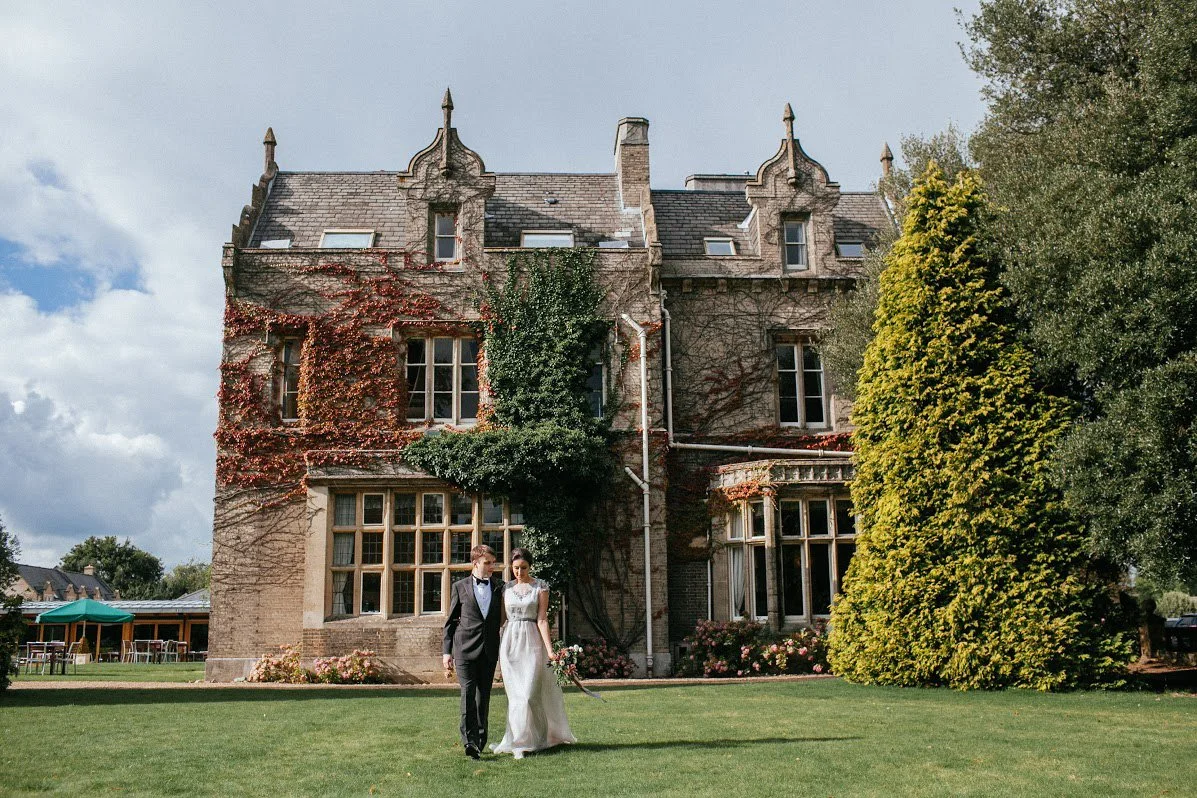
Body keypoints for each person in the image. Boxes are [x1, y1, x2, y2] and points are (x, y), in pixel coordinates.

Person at [491, 547, 576, 759]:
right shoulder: (505, 589)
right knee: (516, 697)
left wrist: (550, 651)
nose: (519, 572)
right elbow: (501, 620)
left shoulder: (540, 587)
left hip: (532, 643)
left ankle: (538, 739)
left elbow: (542, 619)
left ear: (530, 566)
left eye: (523, 568)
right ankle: (519, 743)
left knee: (530, 695)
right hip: (510, 644)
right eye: (515, 568)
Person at [443, 544, 504, 760]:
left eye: (493, 563)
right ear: (475, 563)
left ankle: (480, 739)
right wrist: (446, 652)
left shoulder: (500, 587)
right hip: (464, 649)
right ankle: (469, 742)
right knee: (468, 694)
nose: (491, 567)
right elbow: (450, 622)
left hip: (489, 650)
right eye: (487, 563)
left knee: (483, 697)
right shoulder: (459, 586)